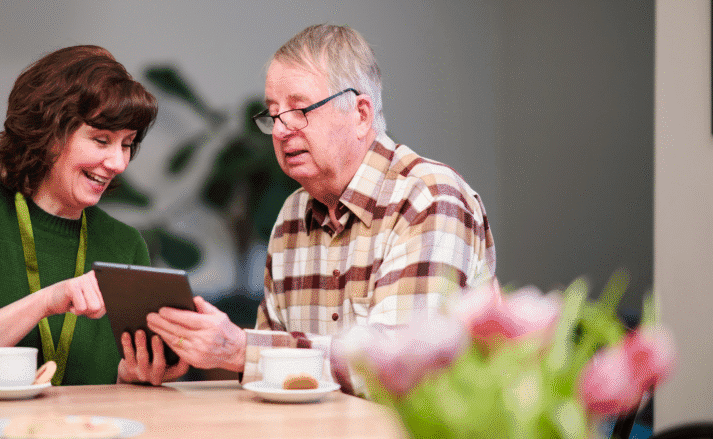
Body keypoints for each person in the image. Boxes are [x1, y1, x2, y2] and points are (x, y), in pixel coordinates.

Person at [144, 24, 495, 390]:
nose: (280, 130)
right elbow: (271, 381)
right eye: (273, 113)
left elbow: (398, 370)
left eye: (299, 109)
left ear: (360, 114)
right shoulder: (291, 216)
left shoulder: (428, 199)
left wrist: (240, 350)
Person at [0, 45, 189, 389]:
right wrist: (46, 302)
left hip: (86, 437)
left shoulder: (124, 244)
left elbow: (110, 384)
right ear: (50, 134)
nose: (118, 163)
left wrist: (128, 376)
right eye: (101, 140)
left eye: (126, 144)